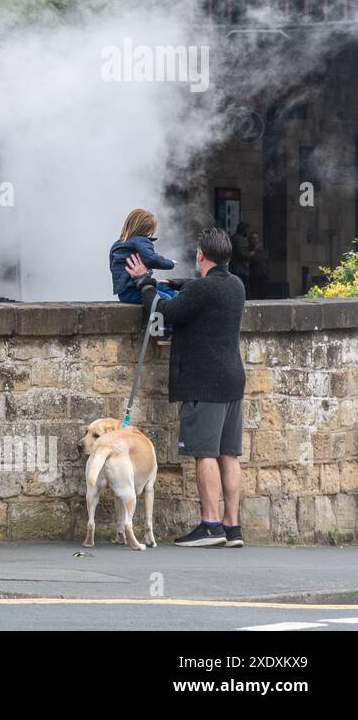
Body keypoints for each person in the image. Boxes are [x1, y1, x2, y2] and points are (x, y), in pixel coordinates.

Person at [125, 227, 246, 548]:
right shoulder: (235, 286)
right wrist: (175, 283)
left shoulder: (203, 291)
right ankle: (233, 527)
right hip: (233, 380)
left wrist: (144, 283)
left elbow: (161, 312)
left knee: (205, 454)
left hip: (204, 382)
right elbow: (201, 289)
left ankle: (210, 526)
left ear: (201, 255)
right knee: (229, 454)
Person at [109, 208, 176, 304]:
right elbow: (151, 259)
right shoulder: (141, 240)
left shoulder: (117, 244)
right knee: (167, 298)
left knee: (167, 290)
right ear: (149, 230)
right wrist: (170, 263)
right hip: (133, 290)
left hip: (124, 292)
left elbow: (112, 265)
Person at [229, 221, 252, 289]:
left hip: (234, 268)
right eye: (248, 229)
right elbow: (242, 254)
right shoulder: (240, 240)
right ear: (244, 229)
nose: (249, 232)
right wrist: (251, 254)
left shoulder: (233, 238)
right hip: (240, 269)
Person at [247, 232, 270, 299]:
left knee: (263, 295)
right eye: (253, 239)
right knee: (254, 295)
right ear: (249, 240)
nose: (255, 240)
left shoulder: (262, 250)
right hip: (254, 276)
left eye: (256, 238)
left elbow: (266, 260)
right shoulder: (248, 251)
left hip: (263, 275)